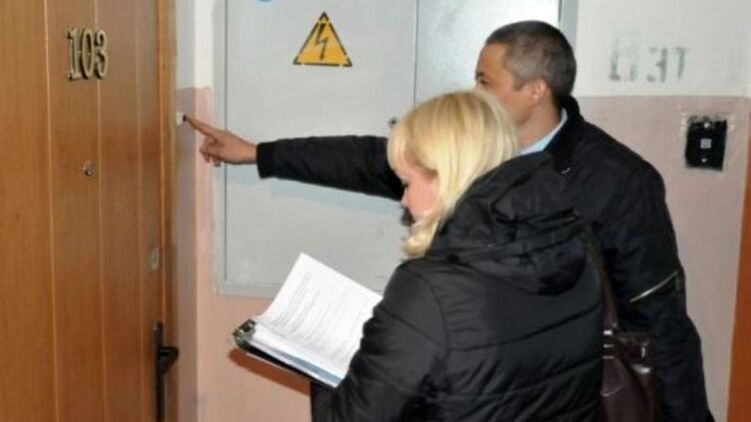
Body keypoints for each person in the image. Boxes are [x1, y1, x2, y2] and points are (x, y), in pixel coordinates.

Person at [187, 20, 712, 422]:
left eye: (485, 81)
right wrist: (259, 153)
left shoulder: (620, 182)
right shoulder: (481, 161)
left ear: (535, 90)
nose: (475, 91)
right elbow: (366, 159)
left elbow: (661, 322)